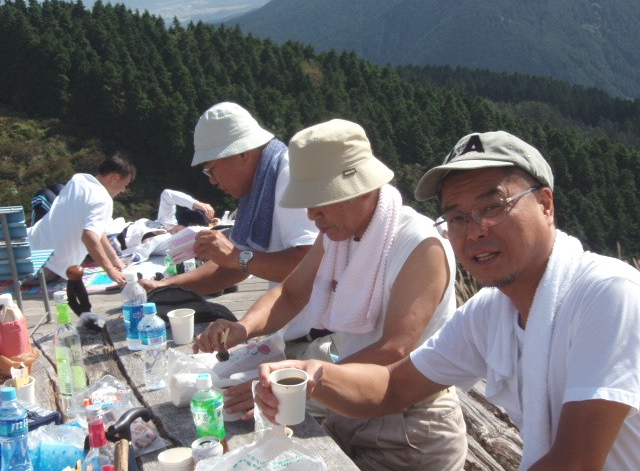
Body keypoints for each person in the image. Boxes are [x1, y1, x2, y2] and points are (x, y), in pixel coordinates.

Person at [256, 131, 640, 470]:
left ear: (545, 204)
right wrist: (313, 376)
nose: (474, 232)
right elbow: (393, 386)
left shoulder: (607, 294)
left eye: (492, 207)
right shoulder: (489, 314)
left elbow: (576, 463)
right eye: (457, 218)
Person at [197, 119, 467, 470]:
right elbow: (291, 293)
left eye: (320, 201)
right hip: (351, 404)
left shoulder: (419, 245)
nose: (311, 215)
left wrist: (296, 384)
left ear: (361, 189)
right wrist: (243, 328)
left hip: (412, 426)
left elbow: (395, 350)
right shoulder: (339, 234)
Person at [139, 102, 318, 297]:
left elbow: (312, 264)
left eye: (211, 169)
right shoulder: (260, 184)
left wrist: (237, 257)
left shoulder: (289, 176)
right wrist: (166, 286)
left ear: (242, 153)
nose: (212, 180)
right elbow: (233, 267)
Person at [27, 152, 136, 287]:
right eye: (125, 184)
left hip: (27, 252)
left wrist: (114, 258)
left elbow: (96, 230)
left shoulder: (78, 180)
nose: (123, 190)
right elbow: (89, 236)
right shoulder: (103, 200)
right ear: (115, 178)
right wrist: (111, 271)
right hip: (46, 267)